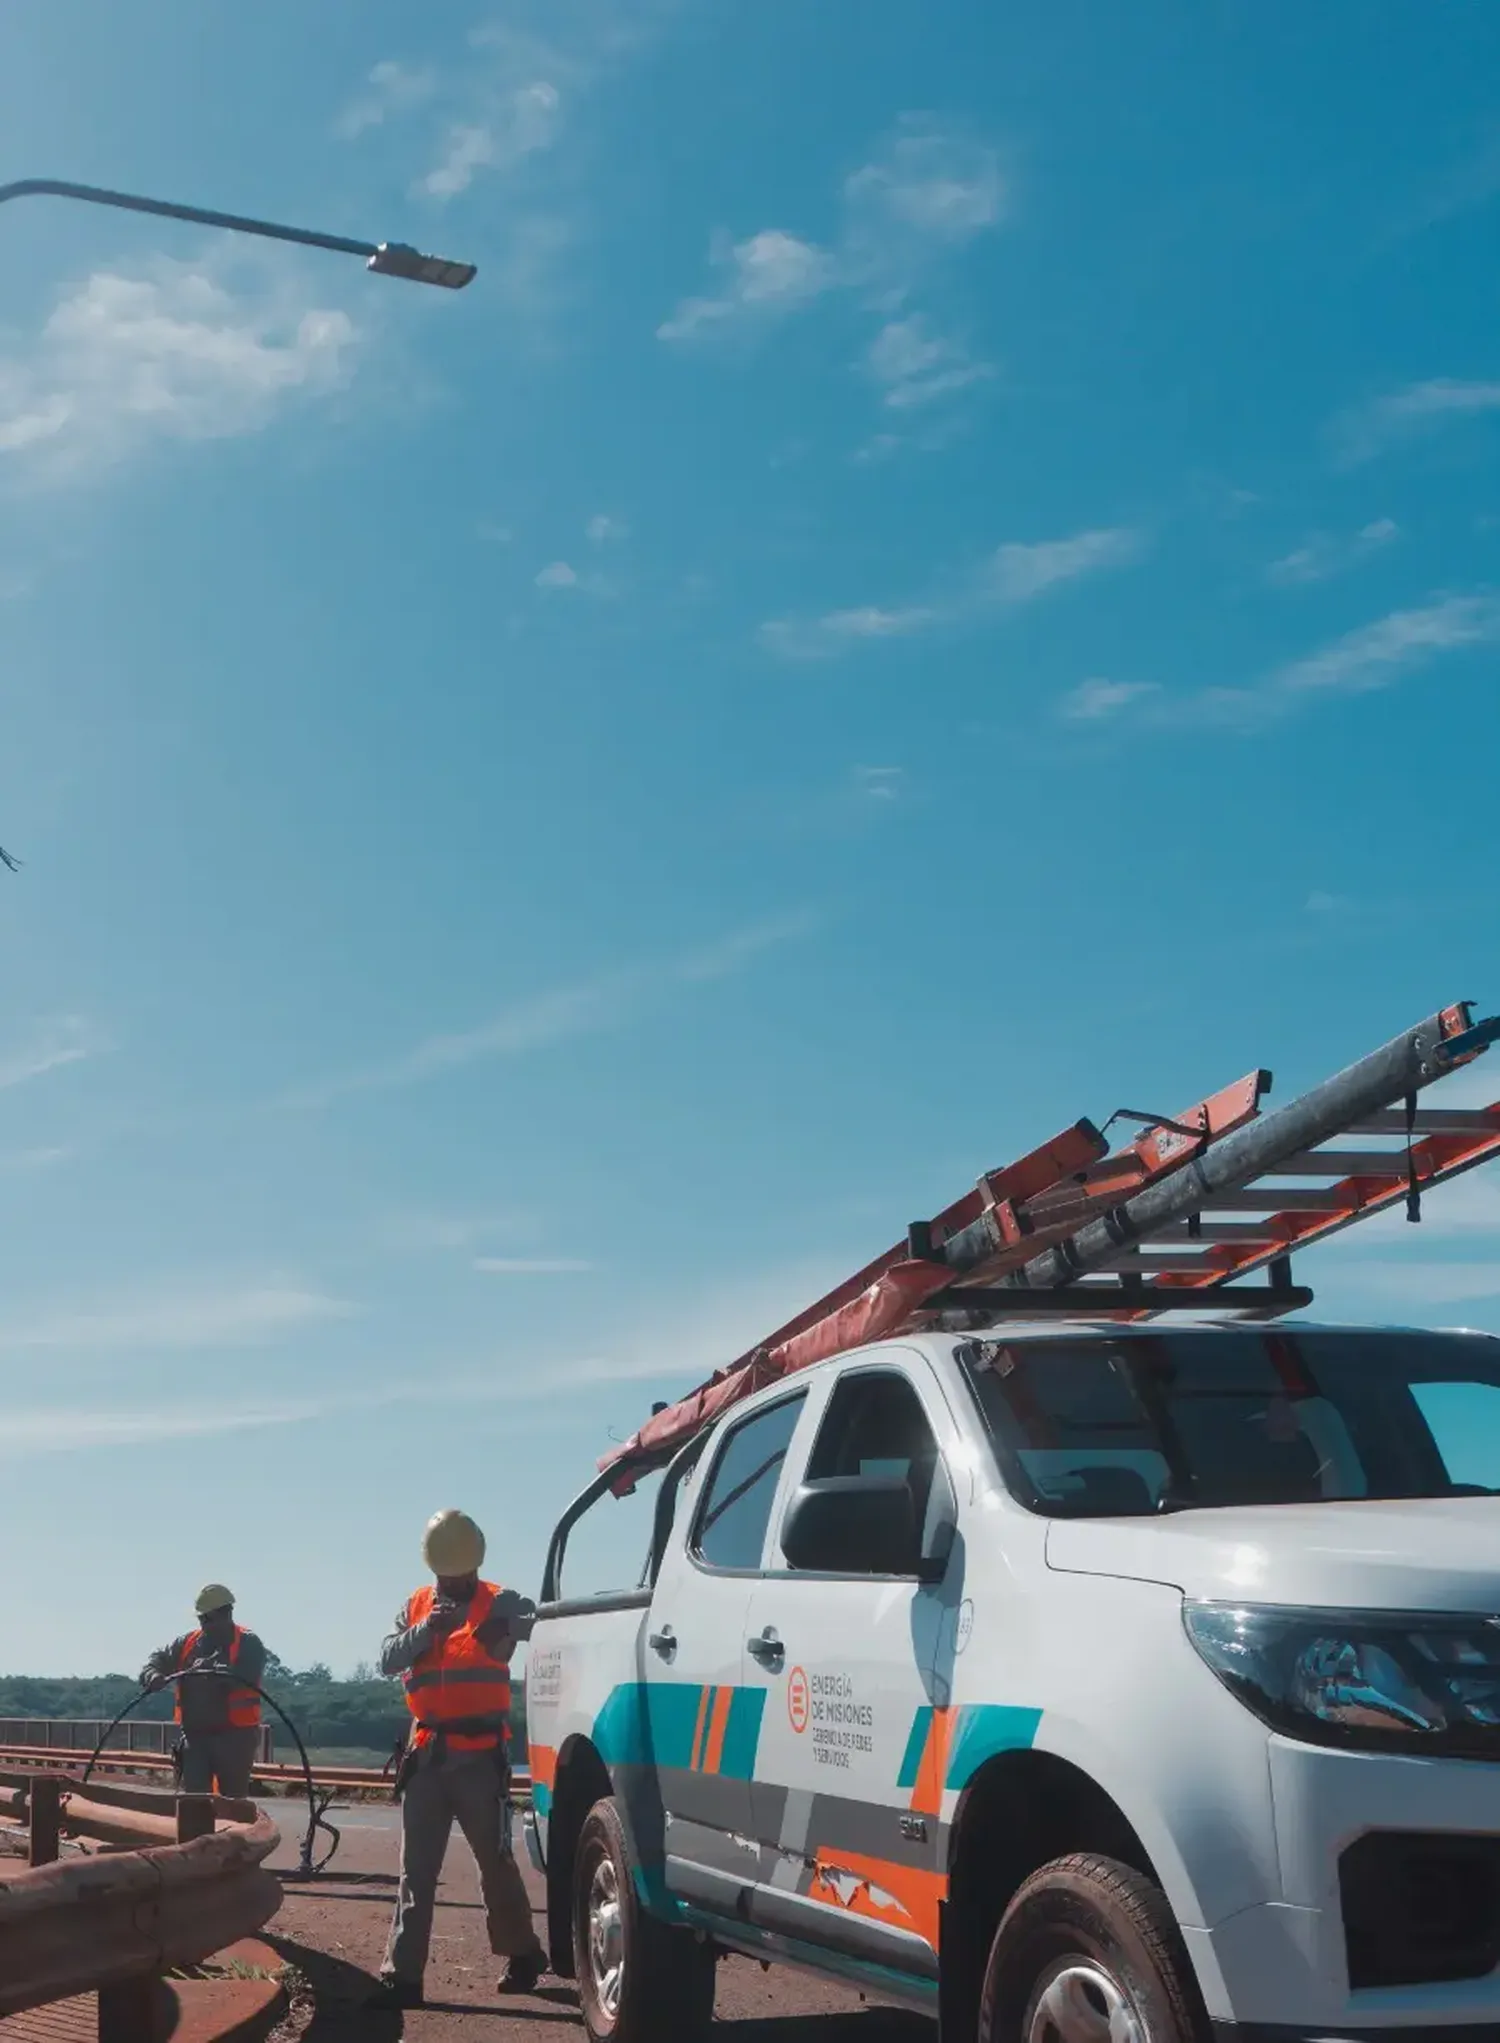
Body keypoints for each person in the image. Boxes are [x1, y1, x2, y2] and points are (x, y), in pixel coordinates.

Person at [371, 1508, 547, 2010]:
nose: (455, 1584)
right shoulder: (417, 1606)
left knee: (495, 1863)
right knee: (416, 1871)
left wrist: (509, 1628)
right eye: (447, 1576)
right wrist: (426, 1630)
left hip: (480, 1757)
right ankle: (401, 1977)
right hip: (427, 1754)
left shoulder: (502, 1600)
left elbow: (543, 1626)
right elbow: (387, 1659)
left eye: (462, 1575)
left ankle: (523, 1953)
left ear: (476, 1564)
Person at [140, 1584, 268, 1797]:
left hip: (235, 1738)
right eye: (201, 1619)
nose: (204, 1625)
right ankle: (196, 1831)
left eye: (208, 1619)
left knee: (232, 1802)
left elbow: (242, 1678)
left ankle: (234, 1830)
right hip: (195, 1736)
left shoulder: (248, 1643)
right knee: (194, 1799)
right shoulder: (188, 1643)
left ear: (227, 1614)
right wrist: (152, 1676)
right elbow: (155, 1661)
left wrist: (208, 1671)